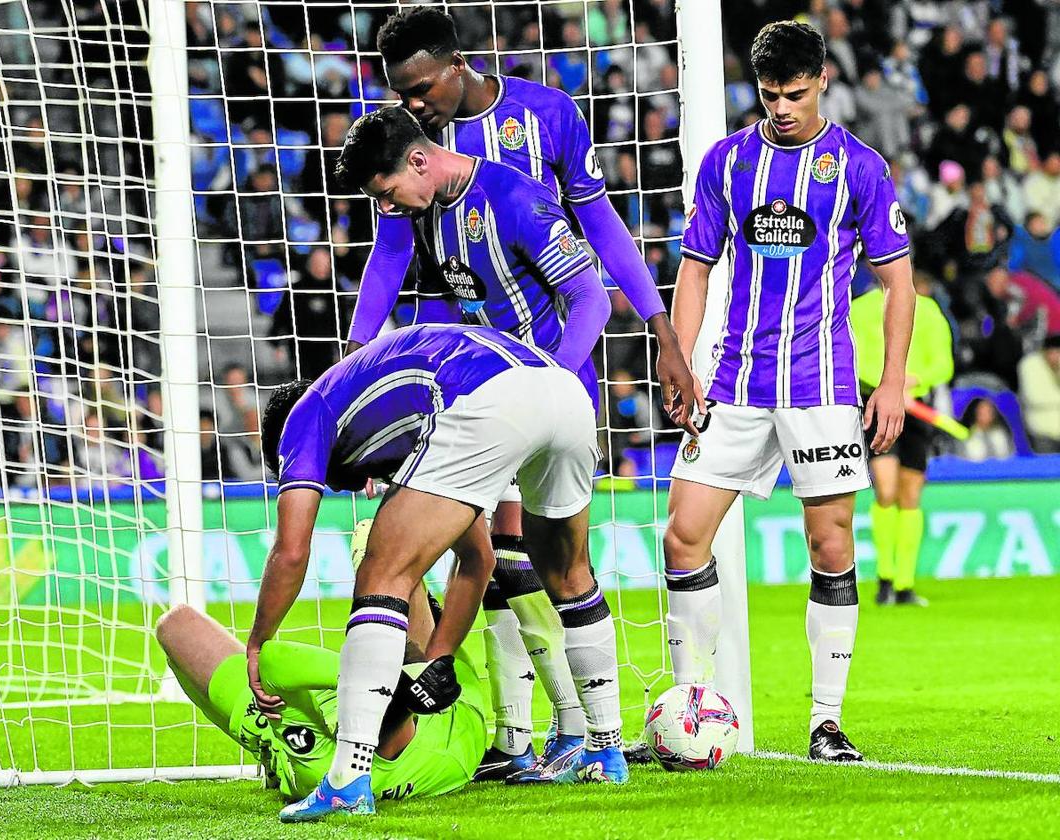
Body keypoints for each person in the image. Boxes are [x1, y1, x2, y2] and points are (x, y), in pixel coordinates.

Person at [342, 6, 697, 780]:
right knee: (495, 556)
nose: (413, 104)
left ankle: (571, 726)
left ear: (458, 62)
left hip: (548, 356)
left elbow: (599, 238)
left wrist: (663, 332)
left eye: (421, 86)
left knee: (530, 552)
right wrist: (357, 361)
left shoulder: (545, 118)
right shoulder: (412, 156)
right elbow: (391, 259)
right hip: (467, 360)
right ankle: (520, 733)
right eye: (399, 93)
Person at [335, 102, 631, 781]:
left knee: (562, 565)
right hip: (487, 407)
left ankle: (597, 742)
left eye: (386, 193)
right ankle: (532, 737)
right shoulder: (429, 214)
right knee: (497, 560)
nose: (390, 208)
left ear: (417, 161)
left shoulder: (516, 198)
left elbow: (590, 297)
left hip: (553, 397)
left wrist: (551, 379)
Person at [248, 324, 627, 823]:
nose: (339, 488)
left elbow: (291, 552)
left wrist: (258, 642)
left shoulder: (305, 415)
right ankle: (607, 749)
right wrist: (440, 656)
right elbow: (478, 560)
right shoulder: (397, 424)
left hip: (485, 399)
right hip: (565, 392)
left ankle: (345, 781)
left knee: (381, 571)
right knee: (569, 575)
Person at [663, 21, 914, 763]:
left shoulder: (861, 169)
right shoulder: (727, 162)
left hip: (823, 385)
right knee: (681, 537)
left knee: (830, 546)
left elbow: (897, 281)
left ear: (823, 80)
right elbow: (696, 268)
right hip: (735, 381)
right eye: (770, 94)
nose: (781, 108)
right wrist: (683, 363)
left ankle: (825, 722)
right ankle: (692, 706)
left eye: (795, 94)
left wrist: (892, 382)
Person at [156, 562, 485, 805]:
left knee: (176, 627)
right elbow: (450, 663)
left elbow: (271, 663)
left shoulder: (327, 770)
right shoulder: (459, 741)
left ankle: (271, 763)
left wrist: (363, 676)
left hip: (279, 723)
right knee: (400, 561)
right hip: (382, 696)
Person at [852, 274, 955, 607]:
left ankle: (905, 584)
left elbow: (943, 362)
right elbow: (852, 357)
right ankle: (885, 578)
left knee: (910, 495)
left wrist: (916, 381)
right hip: (879, 403)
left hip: (917, 408)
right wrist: (891, 385)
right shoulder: (859, 309)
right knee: (886, 490)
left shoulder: (928, 310)